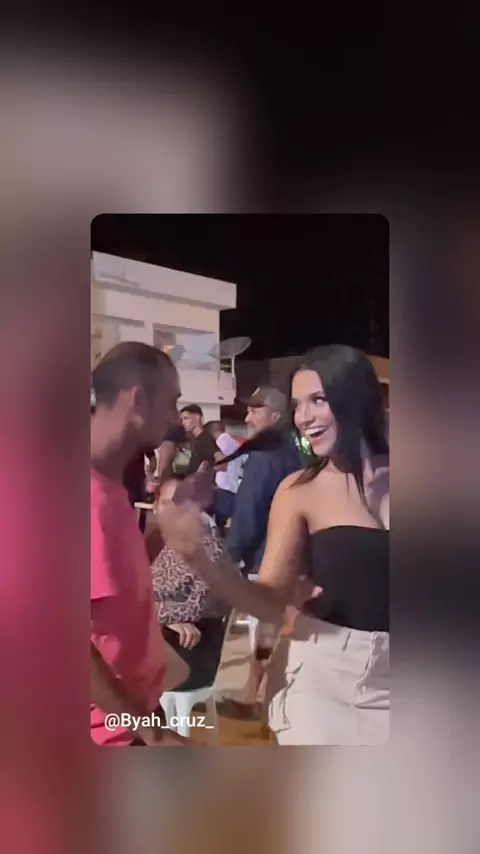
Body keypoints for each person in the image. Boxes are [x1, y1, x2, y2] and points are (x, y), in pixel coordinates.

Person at [157, 345, 390, 745]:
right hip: (324, 679)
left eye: (318, 400)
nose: (303, 417)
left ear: (356, 398)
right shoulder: (299, 491)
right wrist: (201, 555)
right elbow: (267, 601)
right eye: (298, 405)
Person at [90, 341, 193, 747]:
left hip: (134, 716)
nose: (175, 418)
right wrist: (152, 733)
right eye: (172, 402)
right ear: (138, 399)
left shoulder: (108, 482)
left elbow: (115, 583)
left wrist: (167, 521)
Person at [151, 475, 232, 691]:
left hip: (189, 657)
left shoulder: (207, 546)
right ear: (155, 507)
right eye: (168, 503)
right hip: (160, 651)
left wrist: (158, 616)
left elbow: (197, 602)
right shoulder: (151, 540)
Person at [226, 385, 300, 575]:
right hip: (292, 558)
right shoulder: (294, 450)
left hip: (263, 561)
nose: (247, 419)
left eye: (254, 412)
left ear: (275, 417)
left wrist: (231, 554)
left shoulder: (264, 455)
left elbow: (249, 509)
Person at [205, 420, 245, 534]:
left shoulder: (219, 443)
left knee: (218, 525)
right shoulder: (235, 443)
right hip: (233, 487)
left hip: (223, 488)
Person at [180, 404, 219, 475]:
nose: (183, 423)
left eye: (186, 418)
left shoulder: (205, 439)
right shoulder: (197, 440)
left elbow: (218, 458)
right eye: (182, 420)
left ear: (197, 418)